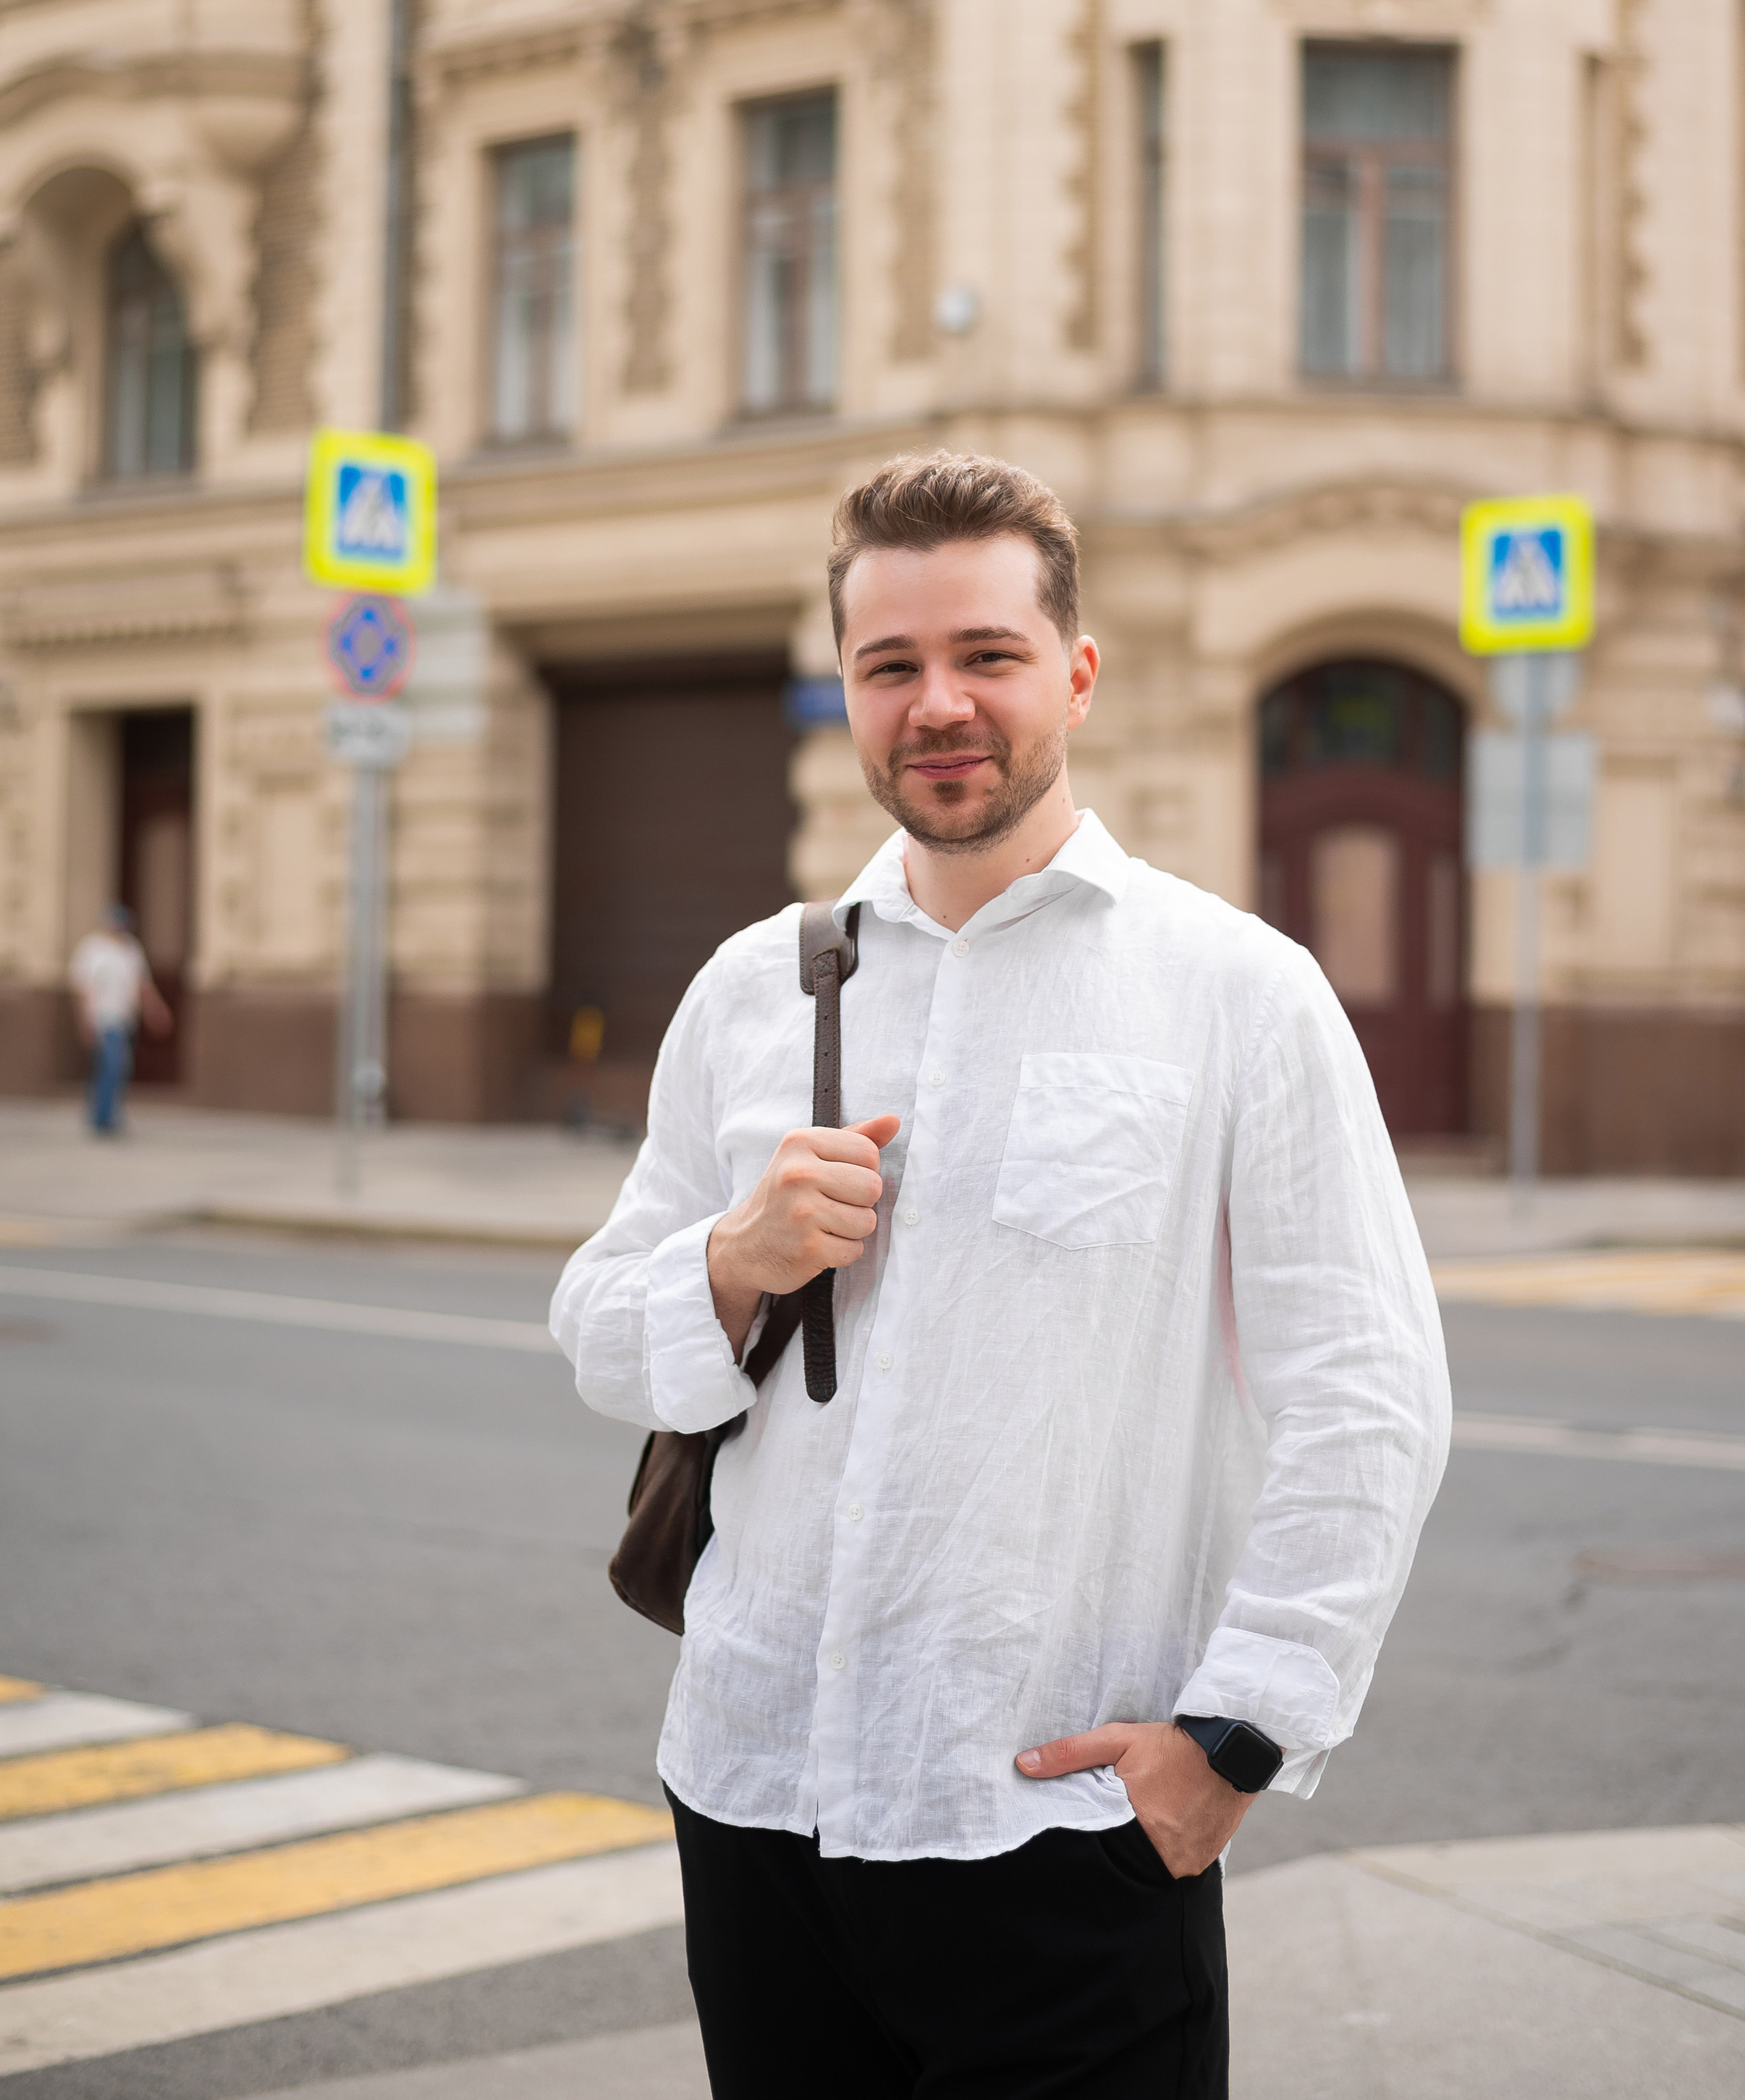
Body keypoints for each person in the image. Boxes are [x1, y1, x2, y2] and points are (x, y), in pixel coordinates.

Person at [551, 452, 1452, 2099]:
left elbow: (1366, 1389)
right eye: (890, 664)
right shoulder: (755, 987)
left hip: (1060, 1831)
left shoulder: (1232, 989)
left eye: (986, 653)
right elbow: (601, 1331)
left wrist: (1234, 1736)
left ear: (1076, 674)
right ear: (847, 690)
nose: (939, 703)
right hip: (755, 1794)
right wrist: (735, 1261)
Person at [69, 902, 171, 1136]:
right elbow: (82, 987)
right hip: (103, 1018)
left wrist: (155, 1010)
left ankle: (103, 1112)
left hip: (126, 1018)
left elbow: (142, 984)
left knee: (113, 1066)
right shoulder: (92, 949)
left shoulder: (131, 950)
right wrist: (85, 1019)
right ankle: (103, 1117)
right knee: (113, 1063)